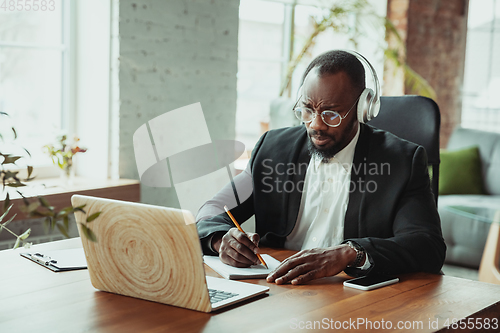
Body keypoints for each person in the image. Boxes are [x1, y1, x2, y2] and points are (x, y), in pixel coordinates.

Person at [196, 50, 446, 285]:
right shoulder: (272, 149)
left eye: (331, 114)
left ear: (362, 108)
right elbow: (214, 209)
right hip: (278, 289)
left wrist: (352, 253)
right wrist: (220, 240)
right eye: (307, 110)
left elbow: (427, 246)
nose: (316, 125)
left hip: (351, 299)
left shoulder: (402, 161)